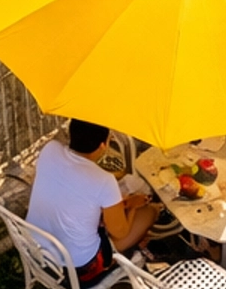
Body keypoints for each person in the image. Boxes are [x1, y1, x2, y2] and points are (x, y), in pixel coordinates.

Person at [27, 119, 157, 279]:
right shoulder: (104, 180)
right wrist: (133, 207)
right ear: (103, 146)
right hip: (76, 269)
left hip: (34, 247)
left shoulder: (50, 149)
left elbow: (73, 191)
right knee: (150, 212)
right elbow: (120, 232)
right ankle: (127, 255)